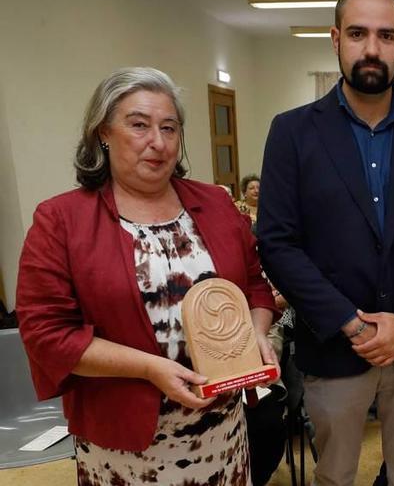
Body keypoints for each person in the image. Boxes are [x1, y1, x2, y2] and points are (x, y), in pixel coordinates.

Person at [15, 67, 279, 485]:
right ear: (103, 132)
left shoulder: (215, 203)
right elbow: (47, 335)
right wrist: (150, 369)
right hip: (124, 444)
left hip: (221, 433)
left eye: (169, 128)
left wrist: (256, 334)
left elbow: (255, 287)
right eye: (139, 125)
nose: (158, 142)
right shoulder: (61, 220)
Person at [256, 0, 394, 484]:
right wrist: (350, 324)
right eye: (357, 33)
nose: (371, 48)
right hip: (333, 346)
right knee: (334, 476)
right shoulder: (292, 132)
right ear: (336, 40)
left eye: (385, 35)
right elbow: (277, 242)